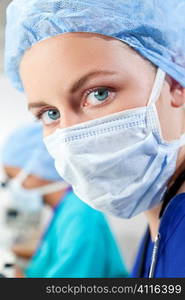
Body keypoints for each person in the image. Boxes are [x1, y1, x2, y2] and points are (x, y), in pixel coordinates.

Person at [4, 0, 185, 277]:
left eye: (99, 93)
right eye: (50, 113)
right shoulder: (162, 220)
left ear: (174, 84)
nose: (69, 136)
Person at [1, 122, 128, 278]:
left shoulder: (79, 213)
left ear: (36, 170)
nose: (13, 187)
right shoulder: (65, 209)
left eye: (13, 177)